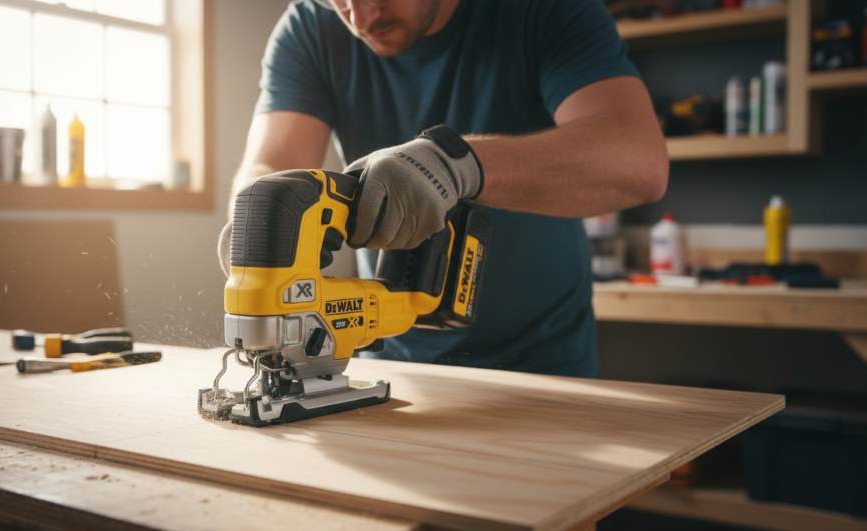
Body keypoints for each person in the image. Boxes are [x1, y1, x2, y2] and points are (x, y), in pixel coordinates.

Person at [219, 0, 668, 378]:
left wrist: (457, 164)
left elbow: (639, 161)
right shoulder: (310, 27)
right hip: (389, 359)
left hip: (543, 363)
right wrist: (258, 217)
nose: (361, 17)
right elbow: (274, 163)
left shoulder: (545, 9)